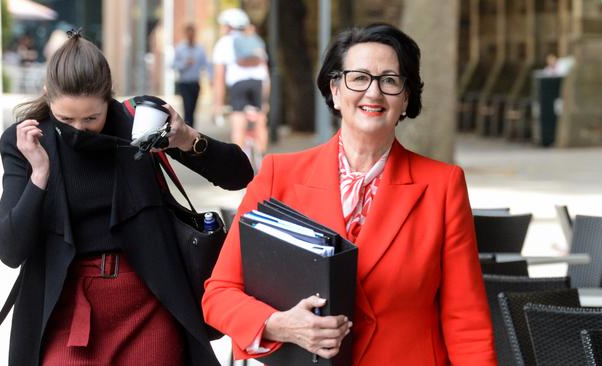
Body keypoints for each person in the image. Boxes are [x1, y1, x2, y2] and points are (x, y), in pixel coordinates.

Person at [202, 23, 497, 365]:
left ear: (405, 98)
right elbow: (219, 295)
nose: (373, 93)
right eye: (359, 78)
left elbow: (467, 321)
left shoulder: (443, 185)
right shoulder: (278, 175)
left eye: (389, 80)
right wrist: (280, 325)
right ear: (336, 90)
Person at [0, 30, 253, 365]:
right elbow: (9, 250)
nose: (79, 129)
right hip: (69, 308)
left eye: (91, 118)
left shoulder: (139, 123)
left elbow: (239, 176)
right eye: (66, 119)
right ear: (47, 97)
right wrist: (39, 175)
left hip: (147, 303)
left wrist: (187, 138)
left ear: (108, 99)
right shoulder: (27, 142)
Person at [212, 8, 270, 164]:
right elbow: (264, 70)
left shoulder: (223, 43)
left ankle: (240, 164)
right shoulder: (255, 39)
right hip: (258, 83)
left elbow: (219, 77)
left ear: (229, 26)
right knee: (260, 121)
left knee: (238, 126)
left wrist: (217, 105)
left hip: (238, 86)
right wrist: (265, 100)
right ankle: (261, 159)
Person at [173, 24, 209, 127]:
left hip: (195, 83)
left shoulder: (200, 49)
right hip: (184, 83)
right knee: (187, 108)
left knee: (193, 109)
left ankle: (191, 130)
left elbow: (205, 64)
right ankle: (187, 129)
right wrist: (184, 64)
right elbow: (173, 65)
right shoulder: (180, 48)